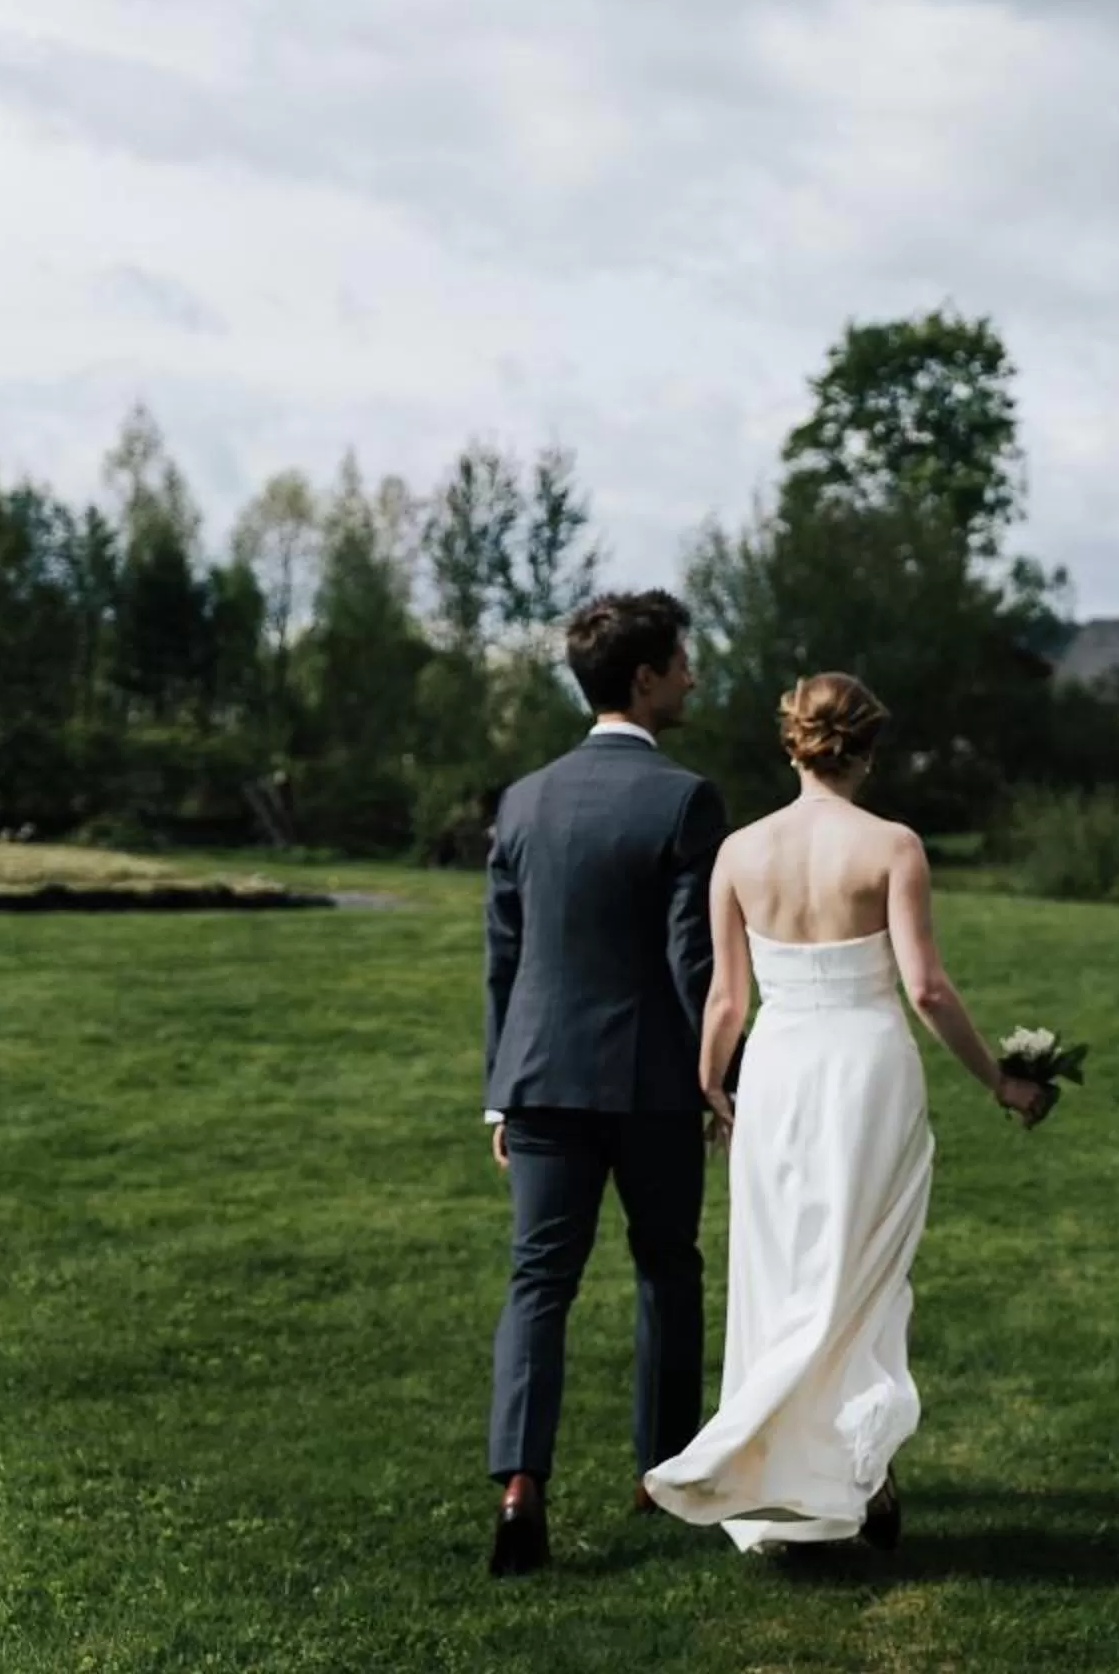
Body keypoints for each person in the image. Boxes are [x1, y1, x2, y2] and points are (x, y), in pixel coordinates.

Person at [644, 673, 1051, 1553]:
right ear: (867, 746)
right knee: (862, 1275)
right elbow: (928, 989)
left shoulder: (741, 852)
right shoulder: (892, 845)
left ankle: (830, 1469)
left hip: (780, 1071)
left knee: (789, 1267)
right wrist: (998, 1080)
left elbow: (724, 1000)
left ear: (792, 742)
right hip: (867, 1068)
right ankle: (855, 1468)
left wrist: (713, 1085)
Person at [481, 591, 728, 1578]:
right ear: (644, 677)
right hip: (654, 1085)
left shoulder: (521, 798)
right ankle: (660, 1472)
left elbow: (503, 956)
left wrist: (502, 1090)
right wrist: (723, 1080)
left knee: (538, 1281)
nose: (693, 675)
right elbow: (692, 964)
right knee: (667, 1268)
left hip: (538, 1078)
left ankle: (518, 1484)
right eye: (682, 660)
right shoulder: (684, 798)